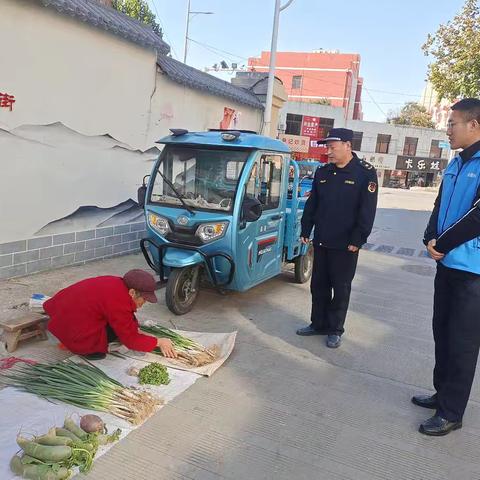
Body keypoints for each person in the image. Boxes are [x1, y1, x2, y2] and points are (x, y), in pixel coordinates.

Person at [413, 98, 480, 436]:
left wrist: (443, 244)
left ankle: (452, 412)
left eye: (453, 123)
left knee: (463, 342)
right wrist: (429, 237)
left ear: (474, 125)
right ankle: (442, 394)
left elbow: (477, 216)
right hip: (448, 265)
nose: (448, 129)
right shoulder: (455, 163)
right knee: (443, 332)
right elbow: (440, 204)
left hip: (473, 271)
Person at [297, 128, 378, 348]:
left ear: (347, 145)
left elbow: (367, 210)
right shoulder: (323, 172)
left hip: (346, 244)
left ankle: (335, 329)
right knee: (319, 285)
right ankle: (318, 324)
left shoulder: (365, 173)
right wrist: (306, 229)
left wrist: (358, 239)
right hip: (322, 239)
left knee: (340, 288)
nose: (329, 152)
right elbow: (313, 203)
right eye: (327, 148)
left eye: (332, 147)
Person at [44, 269, 177, 360]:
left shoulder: (117, 283)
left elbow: (127, 318)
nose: (144, 302)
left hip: (62, 311)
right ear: (132, 293)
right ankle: (82, 348)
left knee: (115, 327)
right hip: (69, 325)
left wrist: (139, 331)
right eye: (144, 299)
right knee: (98, 351)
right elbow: (130, 341)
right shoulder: (118, 301)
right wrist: (159, 342)